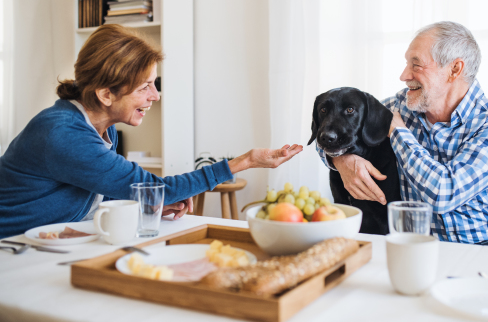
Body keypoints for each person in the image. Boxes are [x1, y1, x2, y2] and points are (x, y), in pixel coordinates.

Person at [0, 24, 302, 239]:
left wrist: (152, 201)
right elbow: (154, 186)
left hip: (51, 241)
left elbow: (102, 194)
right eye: (145, 87)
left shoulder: (102, 128)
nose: (155, 96)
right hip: (13, 250)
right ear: (106, 95)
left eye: (154, 84)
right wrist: (246, 161)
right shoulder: (63, 134)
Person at [318, 21, 488, 249]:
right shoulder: (397, 107)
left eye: (416, 65)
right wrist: (341, 160)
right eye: (406, 63)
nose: (403, 75)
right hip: (415, 250)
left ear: (454, 69)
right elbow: (334, 134)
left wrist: (398, 132)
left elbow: (445, 193)